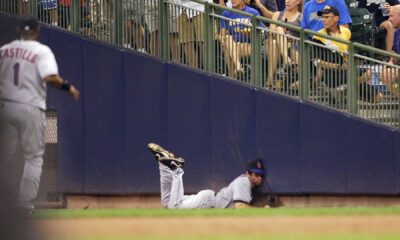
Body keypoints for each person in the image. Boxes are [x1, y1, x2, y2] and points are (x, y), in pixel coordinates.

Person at [0, 16, 80, 212]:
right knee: (33, 157)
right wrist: (68, 87)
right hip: (30, 107)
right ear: (36, 31)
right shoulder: (41, 51)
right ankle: (24, 205)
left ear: (19, 31)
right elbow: (50, 77)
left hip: (5, 106)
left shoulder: (4, 51)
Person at [147, 143, 266, 208]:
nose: (259, 178)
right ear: (248, 173)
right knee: (174, 208)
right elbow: (240, 207)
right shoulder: (244, 181)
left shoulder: (245, 183)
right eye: (256, 174)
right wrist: (262, 212)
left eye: (261, 175)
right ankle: (177, 170)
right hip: (208, 203)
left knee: (167, 203)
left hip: (208, 199)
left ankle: (163, 164)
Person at [265, 0, 303, 88]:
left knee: (288, 46)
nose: (287, 1)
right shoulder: (277, 14)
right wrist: (282, 33)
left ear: (298, 2)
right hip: (272, 44)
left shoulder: (301, 17)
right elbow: (270, 34)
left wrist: (290, 37)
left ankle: (269, 81)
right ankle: (286, 60)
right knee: (277, 33)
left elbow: (301, 38)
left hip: (292, 45)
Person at [219, 0, 261, 78]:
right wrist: (221, 38)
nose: (232, 0)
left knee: (228, 50)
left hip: (249, 45)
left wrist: (250, 32)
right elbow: (222, 33)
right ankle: (238, 67)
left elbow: (260, 32)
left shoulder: (253, 12)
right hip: (232, 44)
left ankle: (232, 77)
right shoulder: (227, 13)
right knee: (228, 40)